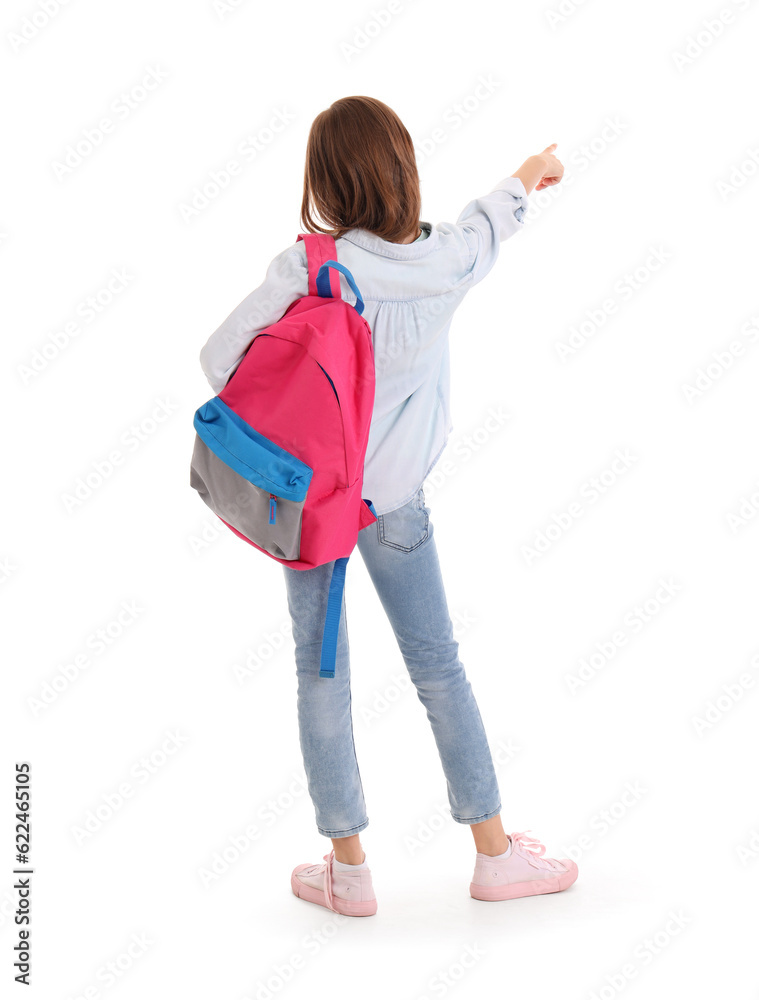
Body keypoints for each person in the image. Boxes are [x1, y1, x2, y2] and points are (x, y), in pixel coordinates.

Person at [198, 96, 576, 917]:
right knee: (438, 666)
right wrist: (529, 173)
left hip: (315, 508)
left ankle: (349, 871)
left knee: (321, 673)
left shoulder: (310, 267)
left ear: (326, 181)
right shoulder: (447, 261)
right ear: (403, 169)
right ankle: (495, 856)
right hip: (397, 500)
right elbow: (488, 222)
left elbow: (217, 358)